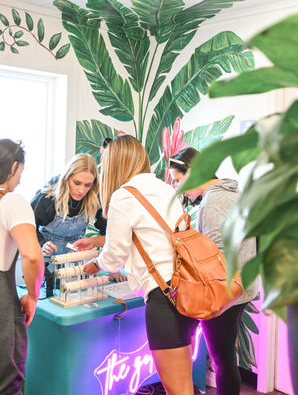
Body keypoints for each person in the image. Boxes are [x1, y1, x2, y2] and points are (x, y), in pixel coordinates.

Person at [81, 135, 198, 395]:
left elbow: (114, 257)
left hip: (163, 298)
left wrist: (95, 264)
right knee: (184, 386)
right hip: (186, 291)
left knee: (177, 390)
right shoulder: (166, 189)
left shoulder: (124, 197)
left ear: (115, 163)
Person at [168, 147, 259, 395]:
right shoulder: (236, 193)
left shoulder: (212, 202)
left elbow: (214, 258)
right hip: (244, 287)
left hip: (224, 292)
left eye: (178, 180)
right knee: (227, 357)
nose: (179, 188)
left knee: (223, 361)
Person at [31, 153, 125, 284]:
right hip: (47, 262)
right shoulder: (46, 198)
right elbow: (28, 230)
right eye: (77, 183)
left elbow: (109, 235)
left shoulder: (95, 198)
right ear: (66, 178)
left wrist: (111, 267)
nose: (81, 190)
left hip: (76, 261)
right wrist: (42, 244)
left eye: (87, 185)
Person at [0, 139, 44, 394]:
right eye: (21, 173)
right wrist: (33, 295)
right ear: (14, 167)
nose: (20, 180)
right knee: (7, 381)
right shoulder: (12, 202)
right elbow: (32, 256)